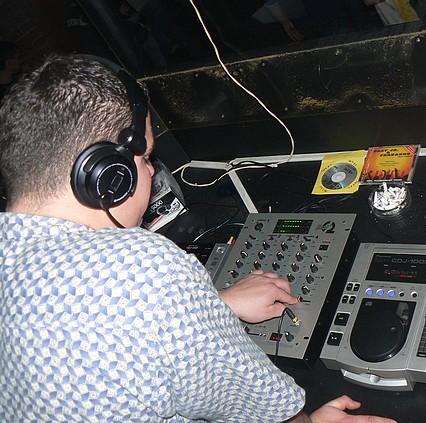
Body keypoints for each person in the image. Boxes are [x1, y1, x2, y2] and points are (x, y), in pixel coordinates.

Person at [0, 54, 397, 423]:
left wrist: (215, 307)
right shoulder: (141, 271)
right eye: (146, 158)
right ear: (107, 175)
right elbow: (266, 410)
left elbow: (89, 335)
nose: (152, 172)